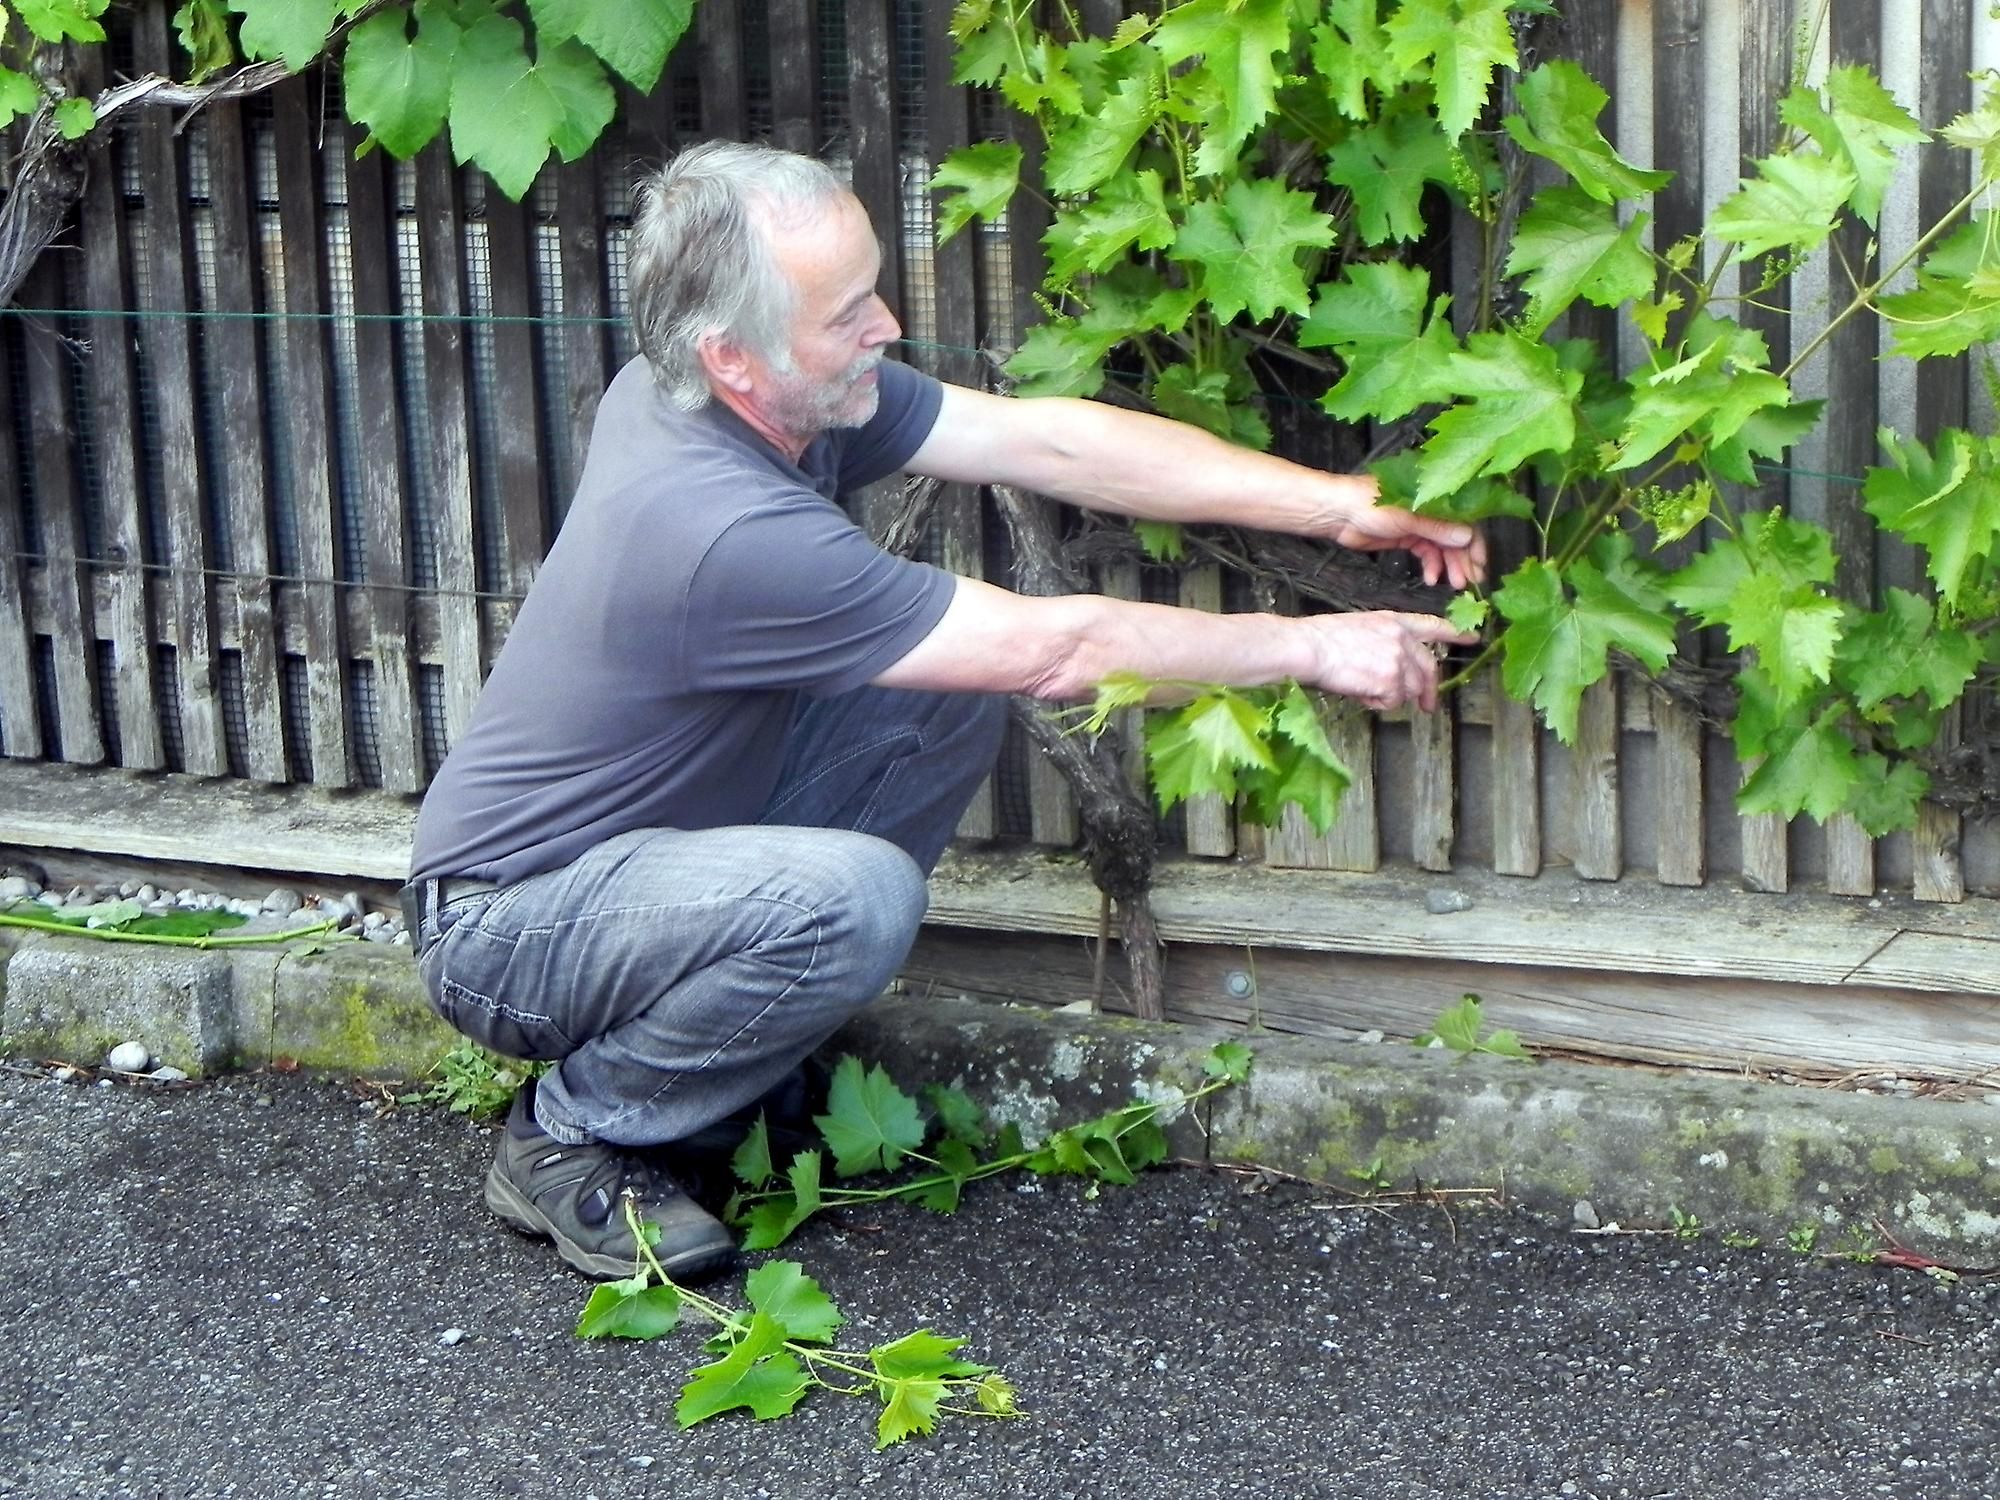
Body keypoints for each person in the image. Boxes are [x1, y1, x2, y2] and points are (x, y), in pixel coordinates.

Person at [402, 140, 1484, 1284]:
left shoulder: (765, 398)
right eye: (846, 311)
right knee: (854, 897)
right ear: (732, 356)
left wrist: (1334, 506)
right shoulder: (721, 524)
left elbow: (1045, 439)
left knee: (934, 706)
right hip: (508, 929)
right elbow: (1059, 645)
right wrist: (1315, 647)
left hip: (641, 873)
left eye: (874, 286)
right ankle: (578, 1129)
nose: (885, 326)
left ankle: (714, 1064)